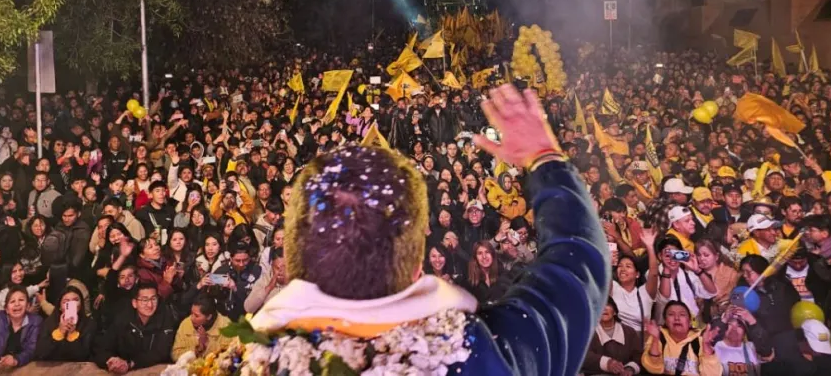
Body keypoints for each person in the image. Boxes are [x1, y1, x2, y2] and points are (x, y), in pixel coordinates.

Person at [244, 85, 609, 375]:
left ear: (289, 267)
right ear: (419, 264)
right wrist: (543, 157)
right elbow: (578, 261)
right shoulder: (485, 356)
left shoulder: (233, 364)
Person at [93, 283, 177, 373]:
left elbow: (161, 352)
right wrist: (111, 361)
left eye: (153, 299)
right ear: (134, 303)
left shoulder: (165, 319)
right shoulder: (122, 320)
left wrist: (130, 364)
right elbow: (101, 347)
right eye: (144, 300)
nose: (150, 305)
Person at [0, 280, 43, 368]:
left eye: (21, 300)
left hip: (22, 367)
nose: (17, 304)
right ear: (6, 309)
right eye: (12, 301)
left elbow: (31, 350)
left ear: (28, 305)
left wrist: (16, 360)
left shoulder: (36, 321)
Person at [642, 301, 721, 376]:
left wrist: (706, 345)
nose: (677, 318)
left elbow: (712, 374)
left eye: (682, 314)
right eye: (671, 314)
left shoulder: (700, 341)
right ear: (665, 321)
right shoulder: (659, 337)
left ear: (690, 322)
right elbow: (653, 369)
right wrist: (655, 340)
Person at [34, 286, 97, 362]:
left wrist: (72, 334)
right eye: (66, 302)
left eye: (75, 300)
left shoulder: (89, 324)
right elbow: (41, 354)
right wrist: (60, 333)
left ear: (81, 304)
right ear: (60, 306)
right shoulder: (49, 322)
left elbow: (84, 357)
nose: (71, 304)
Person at [582, 298, 642, 376]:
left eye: (607, 305)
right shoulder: (587, 332)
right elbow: (583, 356)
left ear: (615, 312)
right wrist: (607, 363)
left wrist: (630, 369)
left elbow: (638, 356)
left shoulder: (629, 332)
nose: (604, 308)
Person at [171, 295, 232, 361]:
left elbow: (230, 356)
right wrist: (197, 350)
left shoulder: (226, 326)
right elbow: (175, 354)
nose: (192, 318)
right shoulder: (186, 324)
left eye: (196, 316)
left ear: (209, 316)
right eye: (191, 313)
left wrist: (207, 342)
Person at [244, 247, 287, 313]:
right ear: (272, 266)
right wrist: (269, 288)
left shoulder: (297, 281)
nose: (281, 272)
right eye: (277, 268)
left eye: (284, 268)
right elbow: (248, 308)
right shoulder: (264, 281)